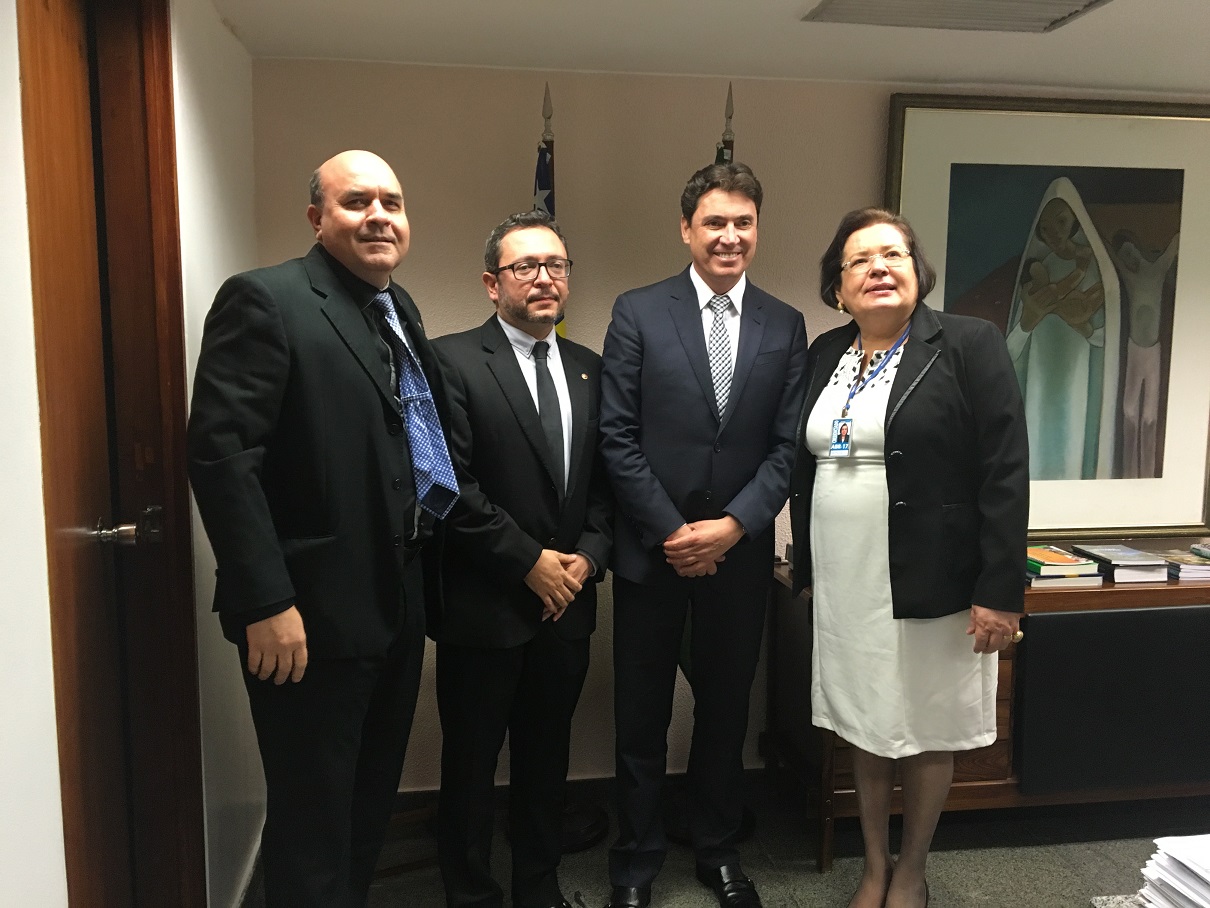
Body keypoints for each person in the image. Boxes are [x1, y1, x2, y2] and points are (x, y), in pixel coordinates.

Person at [187, 150, 458, 908]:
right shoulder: (265, 301)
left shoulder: (398, 309)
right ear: (317, 218)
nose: (379, 217)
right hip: (304, 621)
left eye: (392, 203)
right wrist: (266, 601)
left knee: (368, 806)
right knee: (313, 820)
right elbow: (222, 458)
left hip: (394, 605)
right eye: (356, 201)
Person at [789, 208, 1029, 908]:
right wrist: (807, 570)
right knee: (864, 723)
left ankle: (912, 871)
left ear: (918, 272)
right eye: (860, 260)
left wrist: (1000, 590)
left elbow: (1005, 471)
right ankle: (873, 864)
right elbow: (805, 465)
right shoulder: (825, 354)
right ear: (838, 288)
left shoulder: (968, 343)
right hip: (847, 581)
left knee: (926, 726)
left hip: (935, 579)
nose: (879, 268)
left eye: (893, 254)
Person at [600, 162, 808, 908]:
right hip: (651, 554)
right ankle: (634, 861)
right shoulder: (638, 311)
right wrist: (673, 532)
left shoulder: (784, 324)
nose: (729, 236)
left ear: (757, 230)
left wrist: (731, 527)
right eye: (714, 222)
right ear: (686, 229)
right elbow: (616, 436)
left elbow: (787, 448)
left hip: (739, 557)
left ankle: (717, 848)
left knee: (725, 711)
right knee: (641, 716)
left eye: (742, 222)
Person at [427, 210, 612, 908]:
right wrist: (529, 562)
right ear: (491, 283)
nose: (544, 278)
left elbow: (604, 486)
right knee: (470, 769)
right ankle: (471, 896)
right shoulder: (449, 361)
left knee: (546, 764)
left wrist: (587, 558)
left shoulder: (591, 369)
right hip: (484, 607)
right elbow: (446, 484)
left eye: (555, 266)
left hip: (566, 609)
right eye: (525, 266)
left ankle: (539, 888)